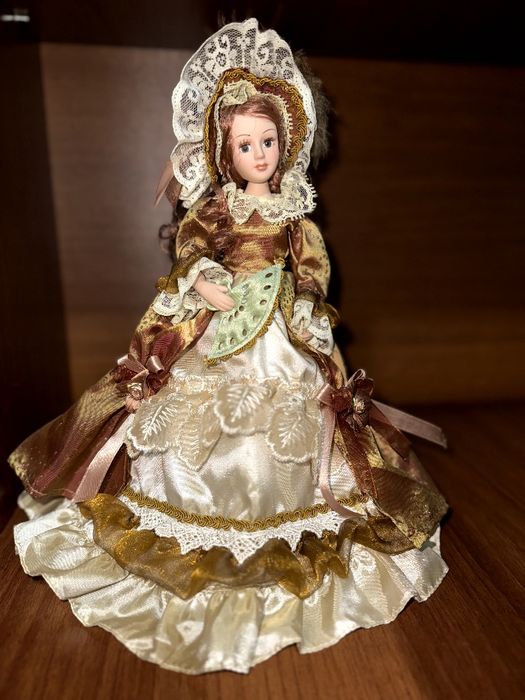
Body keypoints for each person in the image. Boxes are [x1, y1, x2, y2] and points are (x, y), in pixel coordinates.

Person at [10, 19, 449, 674]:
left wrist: (308, 306)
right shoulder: (216, 210)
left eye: (268, 141)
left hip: (279, 331)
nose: (260, 154)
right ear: (226, 152)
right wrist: (202, 280)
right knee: (195, 418)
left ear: (286, 141)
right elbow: (190, 249)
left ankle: (303, 520)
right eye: (246, 145)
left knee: (298, 420)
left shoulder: (294, 213)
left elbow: (313, 268)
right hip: (220, 328)